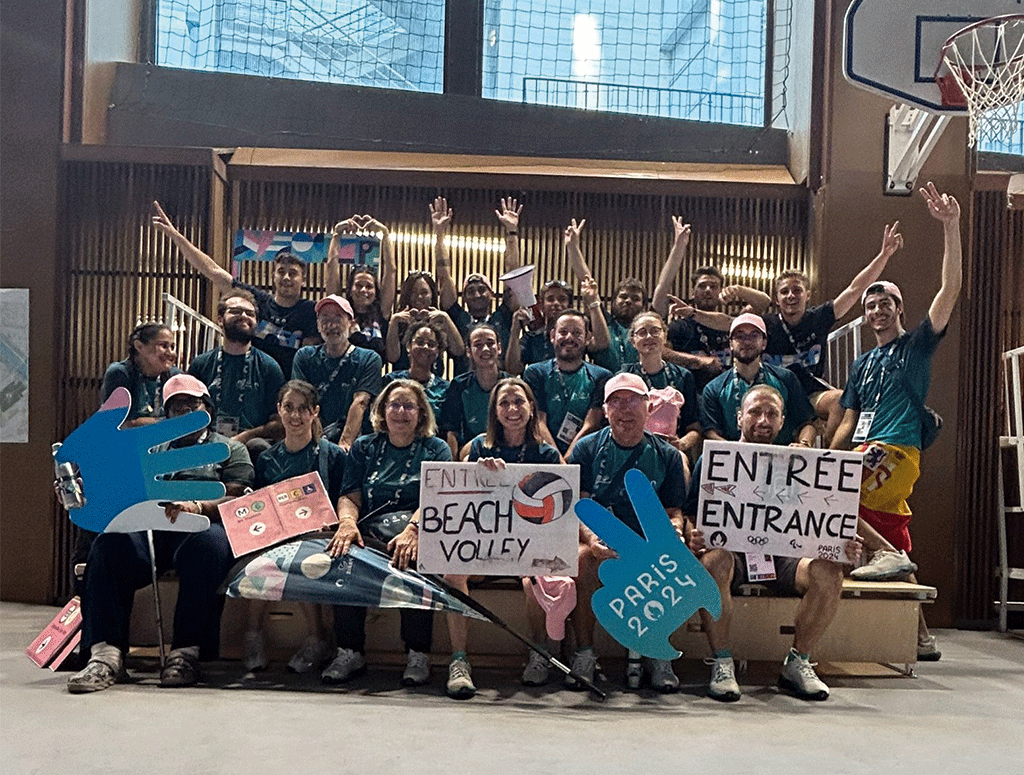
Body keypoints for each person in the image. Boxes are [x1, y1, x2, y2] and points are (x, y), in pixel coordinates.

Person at [831, 183, 962, 662]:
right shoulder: (862, 363)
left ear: (899, 309)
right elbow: (847, 422)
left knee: (836, 506)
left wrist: (951, 227)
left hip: (897, 448)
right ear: (865, 317)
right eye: (870, 305)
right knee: (887, 530)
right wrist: (831, 460)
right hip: (864, 452)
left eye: (885, 302)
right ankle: (921, 635)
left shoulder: (917, 347)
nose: (877, 309)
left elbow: (950, 290)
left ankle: (890, 558)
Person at [67, 374, 255, 693]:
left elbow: (239, 497)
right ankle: (105, 655)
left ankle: (186, 653)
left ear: (207, 408)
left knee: (207, 547)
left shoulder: (230, 449)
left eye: (192, 404)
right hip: (152, 526)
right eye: (176, 407)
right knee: (110, 543)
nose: (185, 412)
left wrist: (197, 505)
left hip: (201, 524)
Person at [685, 384, 862, 702]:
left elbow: (822, 519)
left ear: (782, 422)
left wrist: (841, 543)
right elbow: (689, 514)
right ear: (739, 417)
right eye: (754, 412)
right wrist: (692, 533)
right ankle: (723, 663)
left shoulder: (803, 464)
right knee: (712, 562)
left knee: (829, 571)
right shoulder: (714, 461)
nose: (763, 420)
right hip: (734, 554)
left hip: (784, 556)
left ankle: (798, 662)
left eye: (772, 414)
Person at [671, 222, 905, 444]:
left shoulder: (819, 317)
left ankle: (826, 456)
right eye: (784, 292)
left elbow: (855, 289)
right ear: (777, 298)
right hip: (774, 391)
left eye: (797, 290)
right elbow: (728, 322)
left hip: (809, 391)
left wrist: (884, 255)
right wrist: (694, 313)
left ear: (808, 295)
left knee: (841, 401)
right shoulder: (767, 324)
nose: (791, 296)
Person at [323, 379, 453, 686]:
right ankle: (350, 650)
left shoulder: (437, 449)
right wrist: (346, 523)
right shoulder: (364, 447)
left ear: (421, 413)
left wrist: (413, 530)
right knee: (344, 554)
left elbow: (437, 498)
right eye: (394, 405)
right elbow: (350, 494)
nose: (401, 412)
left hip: (417, 525)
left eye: (409, 406)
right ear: (382, 410)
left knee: (414, 557)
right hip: (370, 525)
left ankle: (418, 653)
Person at [566, 373, 688, 692]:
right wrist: (592, 539)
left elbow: (674, 512)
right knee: (582, 560)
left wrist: (675, 532)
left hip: (647, 541)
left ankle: (657, 653)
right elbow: (577, 507)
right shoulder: (587, 450)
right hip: (600, 541)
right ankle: (584, 654)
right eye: (616, 402)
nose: (625, 409)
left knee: (671, 557)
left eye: (633, 400)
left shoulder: (669, 456)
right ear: (605, 410)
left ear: (648, 407)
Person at [443, 377, 562, 698]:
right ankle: (459, 661)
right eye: (504, 403)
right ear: (494, 411)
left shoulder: (547, 454)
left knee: (534, 578)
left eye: (519, 402)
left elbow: (561, 508)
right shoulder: (481, 447)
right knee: (453, 572)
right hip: (486, 544)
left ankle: (539, 652)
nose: (512, 409)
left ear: (531, 408)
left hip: (529, 545)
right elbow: (463, 502)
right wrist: (480, 477)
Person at [242, 380, 347, 674]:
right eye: (288, 408)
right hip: (277, 537)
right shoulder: (266, 459)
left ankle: (317, 638)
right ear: (279, 410)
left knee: (302, 560)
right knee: (260, 558)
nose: (295, 416)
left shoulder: (332, 456)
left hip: (318, 537)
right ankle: (253, 636)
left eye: (303, 409)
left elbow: (343, 502)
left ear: (315, 412)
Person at [151, 201, 319, 376]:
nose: (286, 278)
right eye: (281, 272)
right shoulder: (256, 300)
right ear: (273, 276)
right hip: (249, 380)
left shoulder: (309, 311)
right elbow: (212, 270)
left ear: (303, 280)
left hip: (287, 389)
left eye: (293, 273)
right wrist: (175, 235)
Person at [565, 217, 679, 372]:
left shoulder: (649, 325)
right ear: (613, 301)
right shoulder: (603, 321)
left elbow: (663, 286)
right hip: (605, 386)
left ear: (645, 306)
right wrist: (573, 247)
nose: (628, 301)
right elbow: (585, 280)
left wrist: (679, 245)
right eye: (623, 296)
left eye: (635, 298)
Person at [186, 289, 286, 461]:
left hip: (251, 448)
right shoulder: (200, 365)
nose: (244, 316)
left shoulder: (269, 367)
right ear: (219, 319)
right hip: (206, 444)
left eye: (250, 313)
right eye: (236, 311)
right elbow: (187, 413)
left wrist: (244, 437)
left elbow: (279, 424)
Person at [432, 196, 522, 372]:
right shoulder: (458, 318)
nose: (477, 294)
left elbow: (514, 275)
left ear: (491, 293)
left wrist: (512, 233)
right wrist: (439, 234)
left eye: (482, 289)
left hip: (499, 387)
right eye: (470, 291)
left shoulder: (502, 317)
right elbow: (443, 274)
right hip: (465, 388)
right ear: (463, 297)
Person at [701, 313, 817, 447]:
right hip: (735, 461)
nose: (747, 341)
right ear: (730, 344)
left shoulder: (786, 378)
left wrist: (804, 444)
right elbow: (711, 433)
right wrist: (738, 453)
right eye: (740, 336)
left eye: (754, 335)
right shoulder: (714, 388)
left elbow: (807, 424)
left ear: (764, 343)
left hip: (782, 457)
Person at [292, 295, 383, 451]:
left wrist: (344, 444)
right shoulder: (305, 356)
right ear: (318, 325)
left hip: (355, 440)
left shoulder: (368, 359)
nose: (331, 325)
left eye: (338, 318)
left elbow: (360, 401)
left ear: (351, 323)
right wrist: (320, 444)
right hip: (311, 436)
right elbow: (304, 400)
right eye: (325, 319)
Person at [522, 310, 612, 457]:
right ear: (552, 336)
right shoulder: (535, 373)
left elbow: (592, 424)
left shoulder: (601, 376)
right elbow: (538, 421)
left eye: (577, 333)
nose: (569, 338)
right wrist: (557, 460)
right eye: (563, 332)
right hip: (543, 454)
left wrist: (569, 458)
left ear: (587, 338)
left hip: (585, 455)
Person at [620, 310, 702, 458]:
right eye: (642, 332)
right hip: (632, 450)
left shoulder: (683, 376)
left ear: (664, 336)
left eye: (655, 331)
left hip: (672, 451)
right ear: (633, 341)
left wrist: (682, 444)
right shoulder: (624, 377)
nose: (649, 336)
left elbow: (694, 428)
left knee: (681, 466)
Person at [325, 214, 397, 360]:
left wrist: (385, 233)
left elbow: (391, 270)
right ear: (350, 289)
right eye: (358, 285)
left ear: (376, 292)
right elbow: (332, 265)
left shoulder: (381, 311)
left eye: (369, 286)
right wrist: (336, 234)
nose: (364, 290)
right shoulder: (341, 310)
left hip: (371, 378)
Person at [438, 323, 510, 458]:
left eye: (490, 343)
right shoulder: (458, 386)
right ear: (469, 352)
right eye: (478, 345)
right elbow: (451, 432)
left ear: (499, 348)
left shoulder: (510, 385)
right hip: (471, 453)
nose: (485, 349)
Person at [100, 322, 181, 427]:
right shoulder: (120, 373)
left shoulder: (175, 376)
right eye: (164, 346)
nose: (170, 352)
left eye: (172, 347)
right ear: (139, 346)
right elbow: (114, 424)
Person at [386, 269, 465, 375]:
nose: (419, 297)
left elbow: (458, 351)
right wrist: (394, 322)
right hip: (403, 383)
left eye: (424, 293)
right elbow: (392, 357)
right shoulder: (398, 320)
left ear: (432, 294)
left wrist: (446, 318)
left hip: (434, 385)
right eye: (413, 292)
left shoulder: (440, 319)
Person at [382, 320, 450, 421]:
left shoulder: (445, 388)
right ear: (408, 347)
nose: (425, 347)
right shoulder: (392, 381)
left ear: (438, 352)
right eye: (420, 342)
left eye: (431, 344)